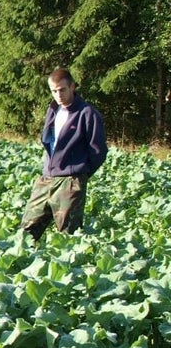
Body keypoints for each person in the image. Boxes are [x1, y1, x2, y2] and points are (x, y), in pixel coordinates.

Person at [20, 67, 108, 241]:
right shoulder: (52, 110)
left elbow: (98, 151)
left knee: (68, 236)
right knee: (25, 232)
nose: (58, 95)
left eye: (62, 90)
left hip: (70, 181)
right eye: (54, 91)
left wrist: (80, 174)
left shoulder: (87, 113)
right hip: (47, 178)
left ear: (72, 87)